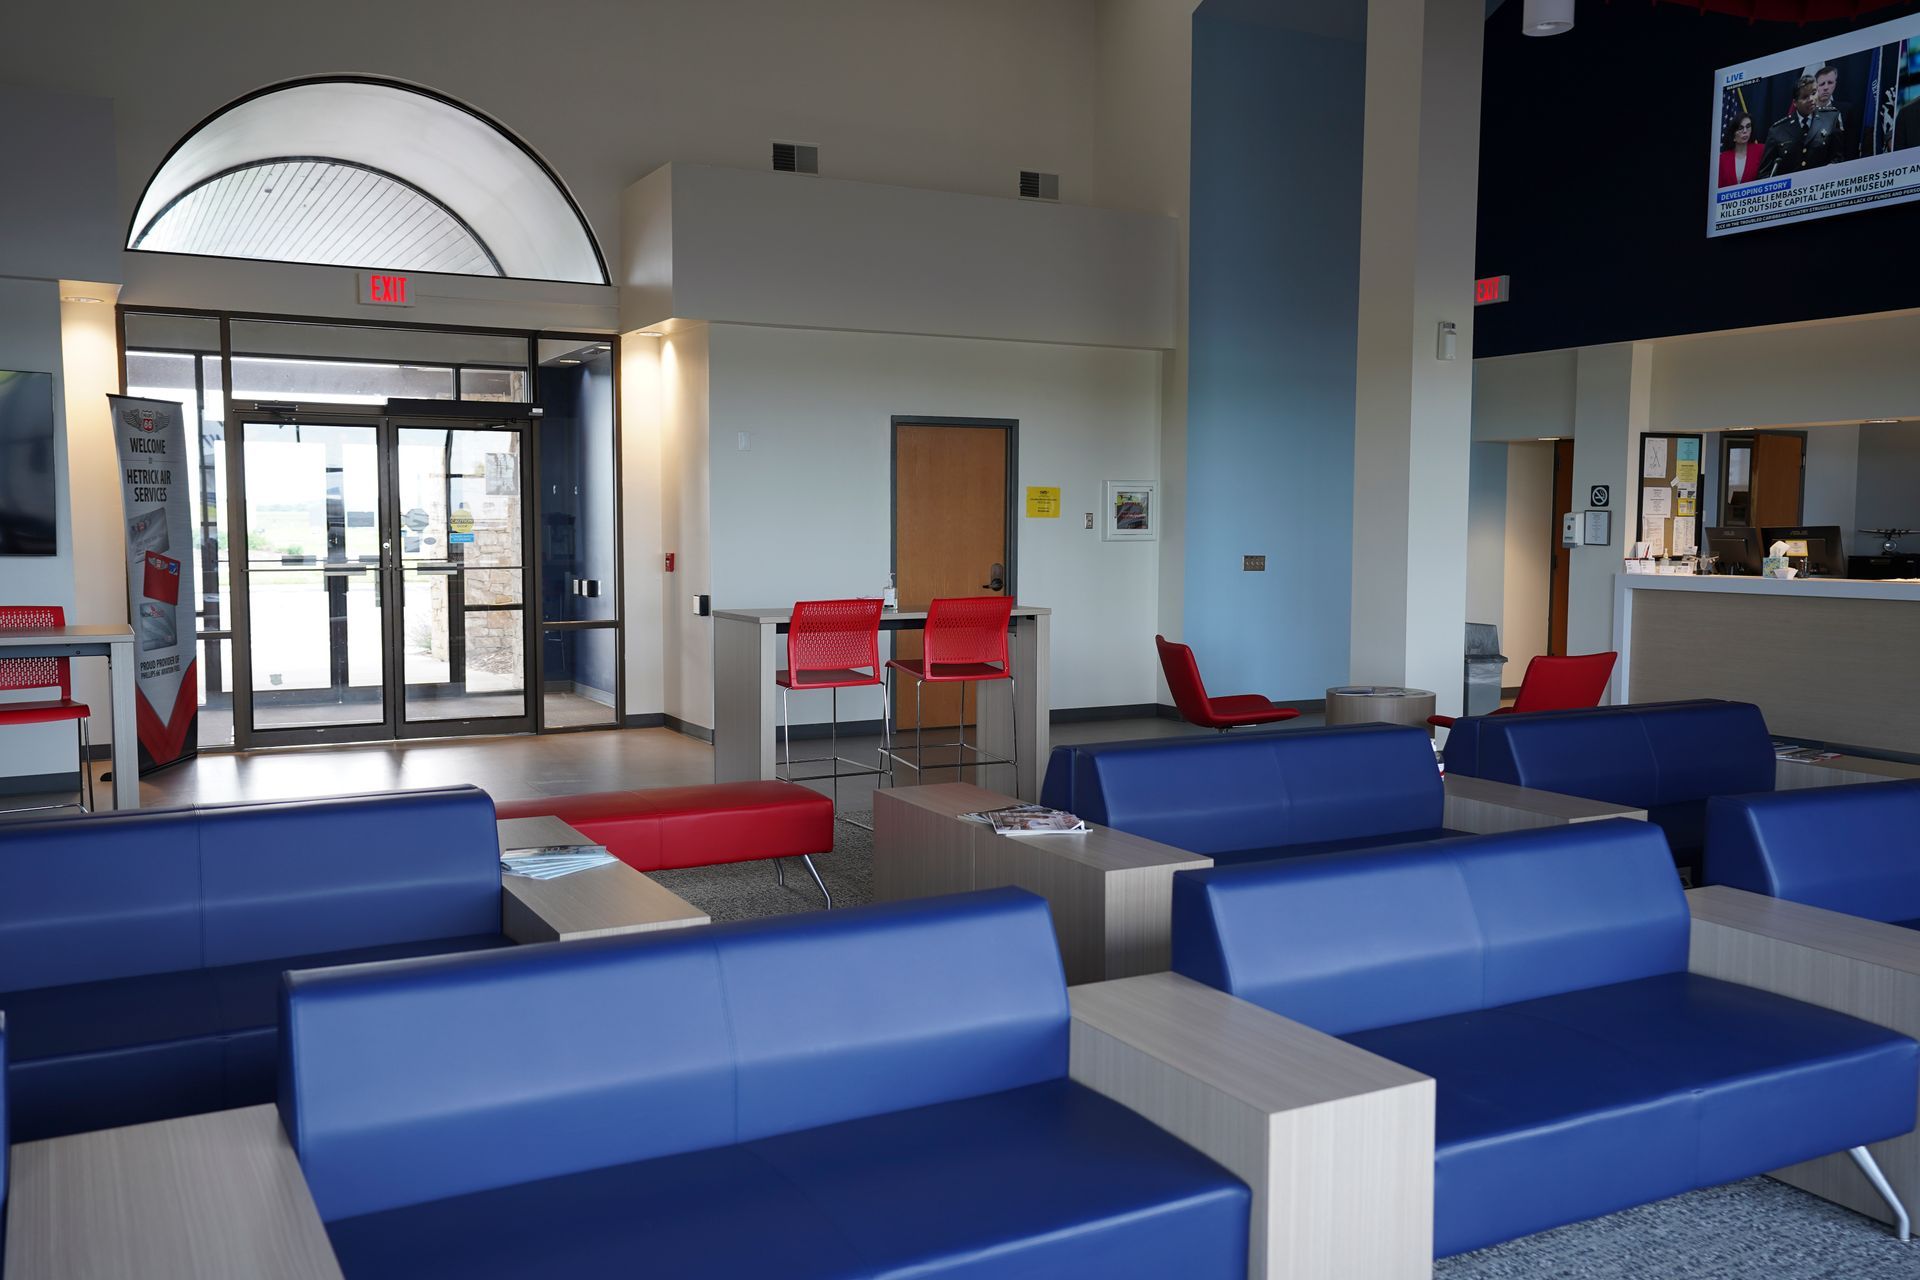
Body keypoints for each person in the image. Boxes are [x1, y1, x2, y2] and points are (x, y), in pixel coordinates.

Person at [1759, 77, 1844, 177]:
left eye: (1813, 93)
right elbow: (1765, 173)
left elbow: (1838, 157)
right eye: (1805, 97)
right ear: (1795, 103)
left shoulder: (1830, 118)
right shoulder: (1778, 130)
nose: (1811, 99)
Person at [1811, 64, 1853, 161]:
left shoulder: (1845, 110)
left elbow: (1851, 143)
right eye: (1822, 84)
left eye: (1830, 83)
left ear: (1835, 84)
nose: (1826, 87)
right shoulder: (1808, 111)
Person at [1718, 112, 1763, 186]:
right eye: (1740, 128)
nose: (1745, 131)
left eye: (1748, 126)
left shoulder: (1761, 150)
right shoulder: (1722, 158)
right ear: (1733, 133)